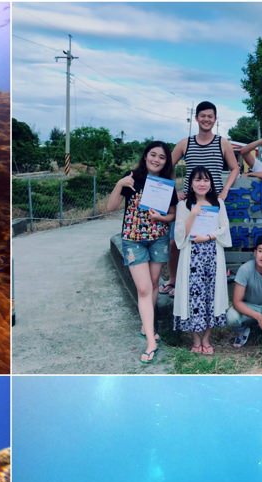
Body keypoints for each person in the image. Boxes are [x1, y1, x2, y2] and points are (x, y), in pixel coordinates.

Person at [107, 141, 177, 364]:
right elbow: (111, 207)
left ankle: (146, 324)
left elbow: (172, 214)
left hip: (158, 240)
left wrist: (161, 218)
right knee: (144, 288)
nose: (156, 160)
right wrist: (120, 184)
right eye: (153, 155)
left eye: (162, 157)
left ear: (166, 162)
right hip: (133, 241)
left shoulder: (166, 184)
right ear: (145, 156)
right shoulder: (131, 178)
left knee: (155, 283)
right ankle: (151, 341)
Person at [161, 101, 240, 295]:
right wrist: (173, 192)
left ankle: (207, 281)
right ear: (196, 118)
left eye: (210, 116)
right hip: (188, 202)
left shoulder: (222, 142)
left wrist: (225, 190)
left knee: (210, 241)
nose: (206, 119)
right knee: (176, 242)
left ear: (215, 119)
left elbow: (235, 167)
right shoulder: (185, 143)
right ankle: (174, 280)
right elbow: (166, 166)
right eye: (202, 116)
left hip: (213, 202)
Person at [172, 167, 231, 354]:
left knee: (211, 296)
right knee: (192, 297)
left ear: (211, 183)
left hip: (213, 255)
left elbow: (224, 227)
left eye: (206, 180)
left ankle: (207, 339)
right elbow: (180, 233)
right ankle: (195, 339)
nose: (202, 184)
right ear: (191, 183)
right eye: (198, 180)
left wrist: (209, 237)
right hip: (191, 257)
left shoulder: (218, 203)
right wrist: (193, 214)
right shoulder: (184, 206)